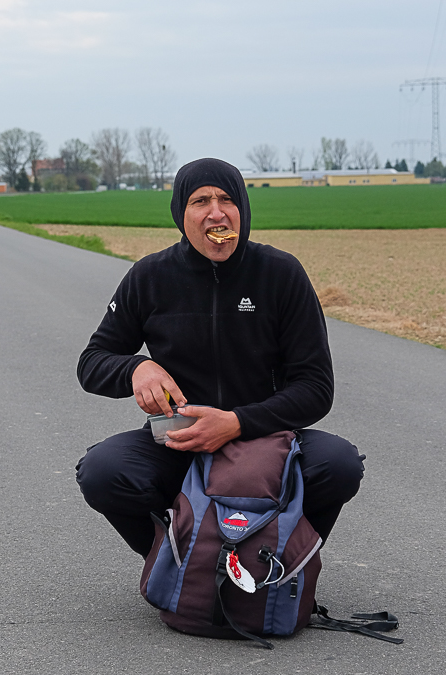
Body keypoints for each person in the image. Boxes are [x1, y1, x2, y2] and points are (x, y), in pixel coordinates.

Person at [76, 158, 365, 558]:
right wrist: (135, 367)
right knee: (102, 471)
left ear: (242, 209)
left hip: (265, 440)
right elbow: (92, 362)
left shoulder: (281, 273)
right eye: (201, 201)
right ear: (181, 214)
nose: (217, 212)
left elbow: (315, 388)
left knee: (340, 464)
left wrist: (236, 422)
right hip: (180, 440)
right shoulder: (149, 276)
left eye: (227, 200)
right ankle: (174, 565)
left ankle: (281, 561)